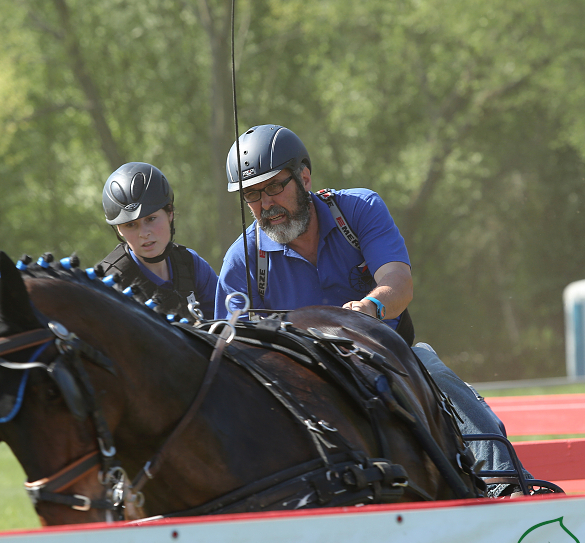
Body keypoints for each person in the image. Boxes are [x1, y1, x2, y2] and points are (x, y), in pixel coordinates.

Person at [215, 124, 523, 495]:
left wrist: (368, 308)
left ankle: (506, 484)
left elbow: (399, 282)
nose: (265, 205)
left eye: (274, 187)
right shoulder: (240, 262)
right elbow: (232, 357)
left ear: (305, 177)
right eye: (252, 195)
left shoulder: (358, 209)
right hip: (303, 388)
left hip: (388, 360)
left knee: (428, 364)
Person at [96, 162, 218, 321]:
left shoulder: (192, 264)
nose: (144, 233)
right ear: (119, 229)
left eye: (151, 219)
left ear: (170, 214)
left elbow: (227, 326)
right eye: (131, 225)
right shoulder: (107, 284)